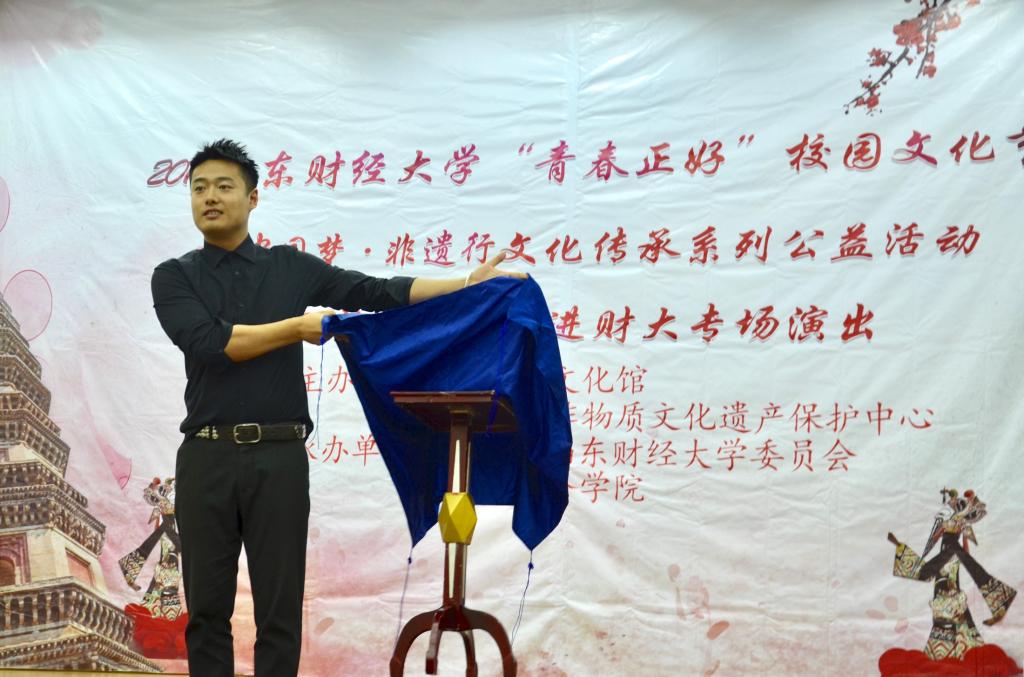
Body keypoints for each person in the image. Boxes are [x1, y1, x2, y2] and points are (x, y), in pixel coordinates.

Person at [151, 138, 525, 677]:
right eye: (199, 188)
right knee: (207, 613)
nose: (210, 197)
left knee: (280, 611)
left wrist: (465, 284)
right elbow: (211, 343)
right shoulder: (174, 276)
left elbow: (374, 291)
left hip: (279, 457)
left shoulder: (289, 267)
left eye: (224, 186)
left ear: (253, 198)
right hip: (205, 456)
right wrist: (296, 328)